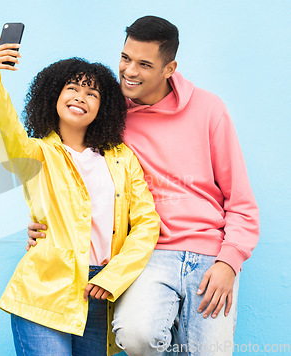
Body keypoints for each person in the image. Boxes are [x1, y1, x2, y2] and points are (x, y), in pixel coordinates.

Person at [27, 16, 260, 355]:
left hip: (210, 253)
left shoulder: (210, 109)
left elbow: (241, 200)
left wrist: (230, 261)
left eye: (144, 64)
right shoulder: (107, 114)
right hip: (146, 253)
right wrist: (47, 222)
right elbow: (73, 170)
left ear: (169, 68)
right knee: (136, 336)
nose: (129, 71)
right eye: (125, 58)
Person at [0, 40, 160, 356]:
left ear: (103, 108)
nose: (81, 97)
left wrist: (114, 276)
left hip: (102, 294)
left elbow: (146, 224)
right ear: (54, 97)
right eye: (72, 89)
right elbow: (7, 132)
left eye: (92, 94)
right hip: (44, 293)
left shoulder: (122, 158)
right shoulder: (35, 153)